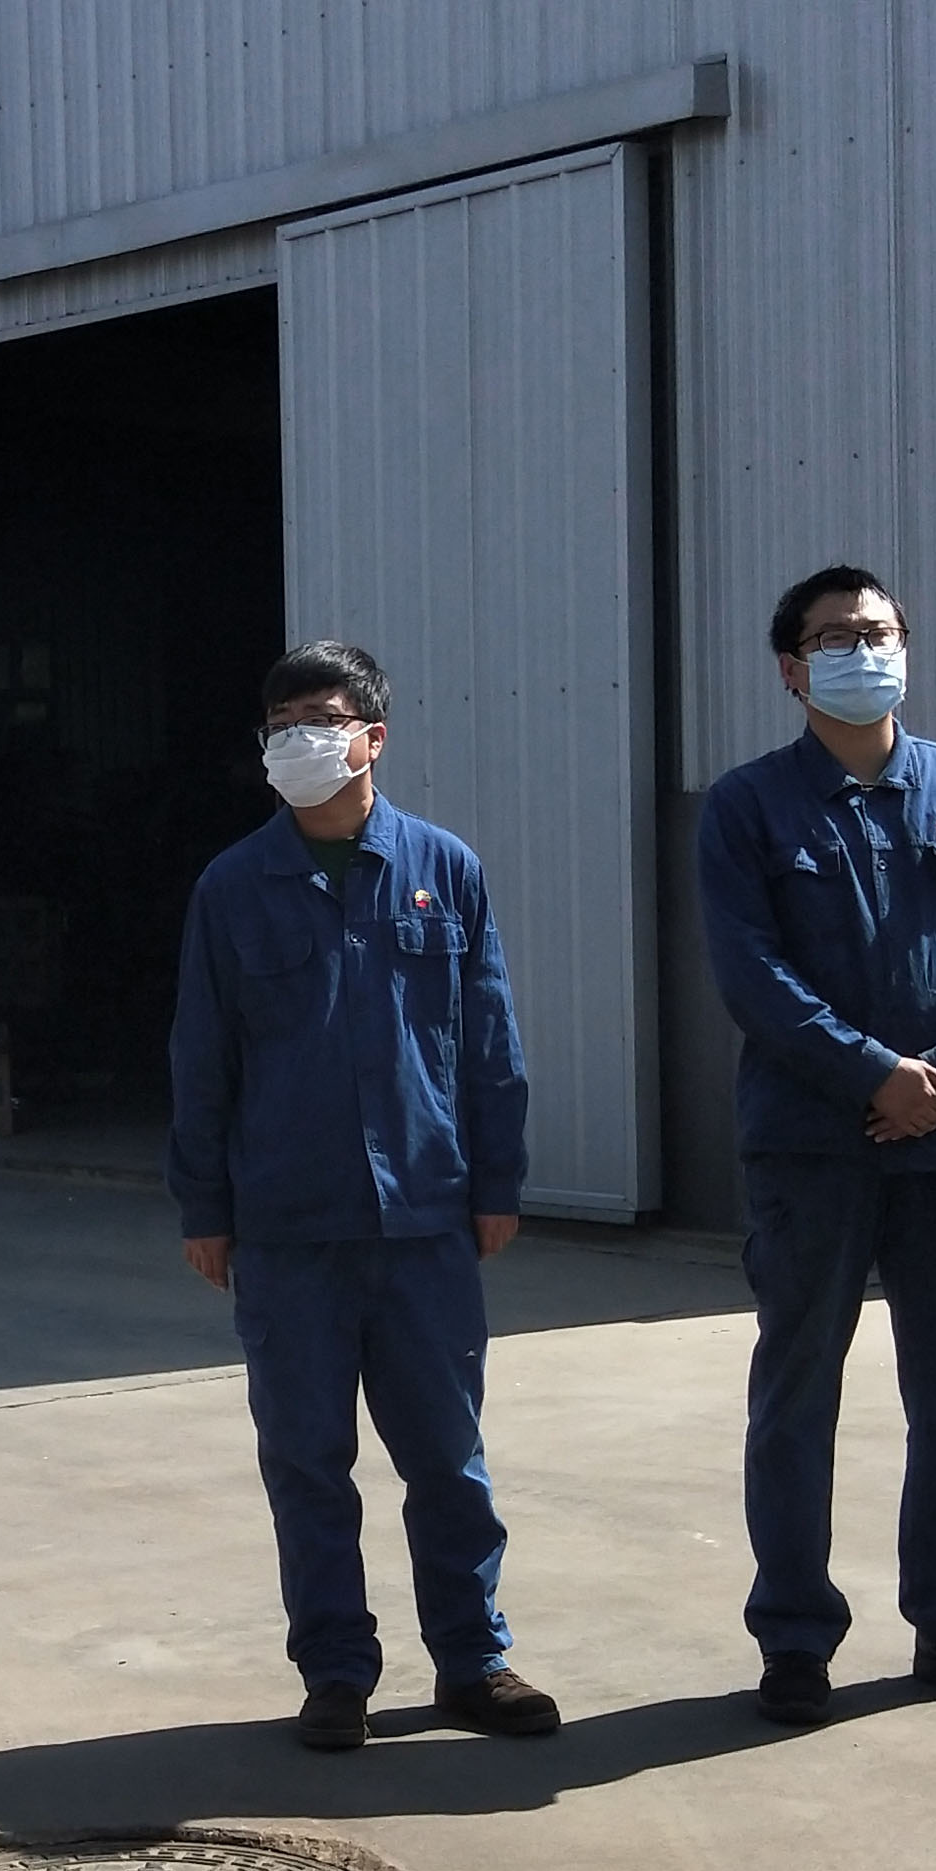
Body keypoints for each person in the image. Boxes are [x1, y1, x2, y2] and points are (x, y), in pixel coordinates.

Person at [165, 639, 557, 1753]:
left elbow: (488, 1038)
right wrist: (205, 1206)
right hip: (289, 1225)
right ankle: (335, 1672)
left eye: (322, 720)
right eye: (281, 723)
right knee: (307, 1463)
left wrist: (497, 1179)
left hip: (425, 1216)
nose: (299, 739)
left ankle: (473, 1660)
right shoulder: (232, 886)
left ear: (372, 737)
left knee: (447, 1458)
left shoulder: (443, 867)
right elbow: (202, 1056)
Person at [695, 564, 936, 1728]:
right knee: (796, 1394)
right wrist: (872, 1073)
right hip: (810, 1144)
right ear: (791, 667)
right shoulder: (747, 806)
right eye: (836, 635)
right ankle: (794, 1638)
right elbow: (751, 972)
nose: (863, 647)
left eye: (878, 629)